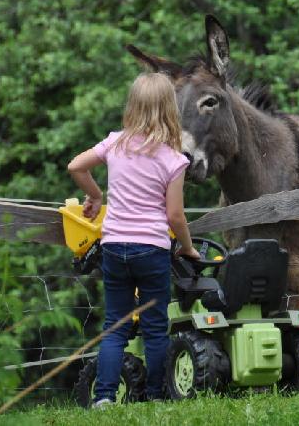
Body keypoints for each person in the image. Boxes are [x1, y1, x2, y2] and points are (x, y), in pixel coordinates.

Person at [67, 72, 200, 407]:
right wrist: (187, 247)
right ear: (170, 110)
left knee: (115, 326)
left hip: (114, 248)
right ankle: (156, 397)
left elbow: (75, 166)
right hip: (152, 251)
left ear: (133, 106)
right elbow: (175, 217)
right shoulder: (173, 160)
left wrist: (95, 196)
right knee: (155, 328)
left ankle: (105, 398)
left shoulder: (115, 143)